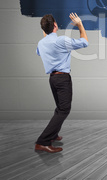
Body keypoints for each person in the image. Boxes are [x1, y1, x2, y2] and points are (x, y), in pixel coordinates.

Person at [34, 13, 88, 153]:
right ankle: (42, 142)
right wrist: (80, 25)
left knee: (59, 108)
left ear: (43, 29)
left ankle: (53, 134)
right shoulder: (61, 41)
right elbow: (85, 42)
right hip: (62, 79)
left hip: (53, 79)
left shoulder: (41, 43)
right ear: (56, 26)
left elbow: (39, 52)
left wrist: (46, 33)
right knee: (64, 110)